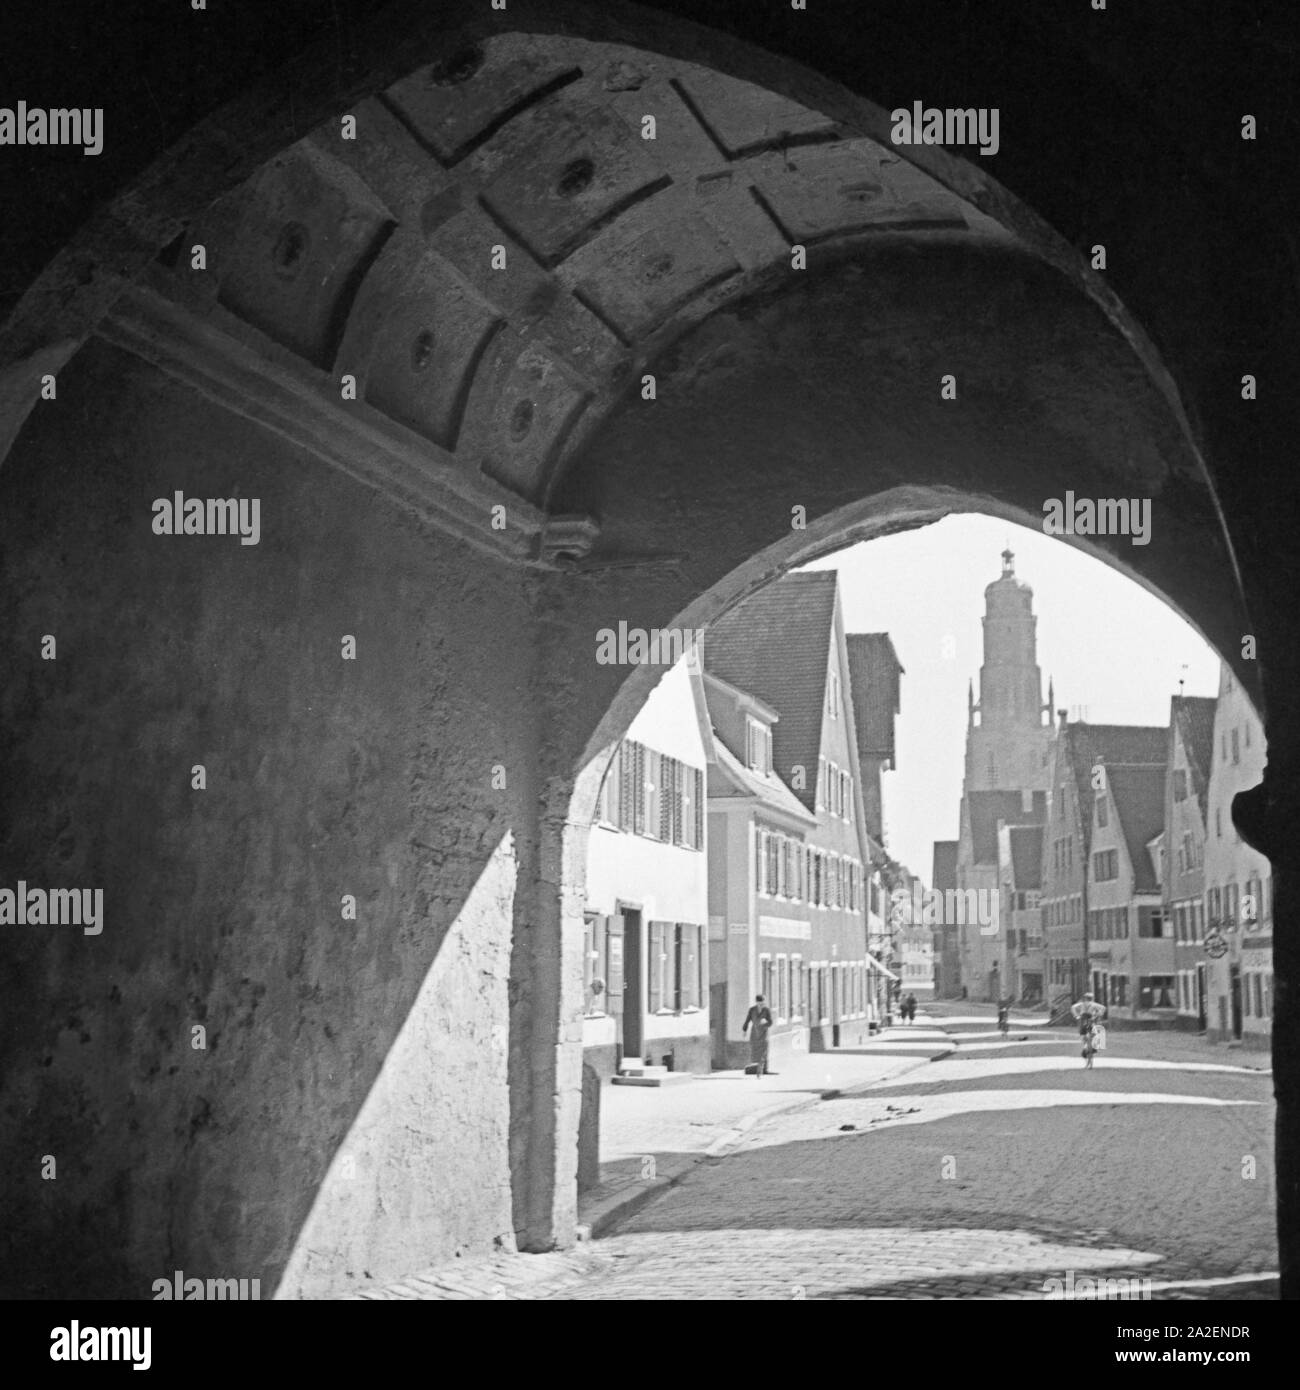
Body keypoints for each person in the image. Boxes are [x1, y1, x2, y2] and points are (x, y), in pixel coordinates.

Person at [742, 994, 774, 1077]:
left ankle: (762, 1069)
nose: (761, 1005)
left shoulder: (766, 1010)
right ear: (756, 1003)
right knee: (755, 1052)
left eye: (763, 1004)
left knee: (764, 1051)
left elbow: (771, 1022)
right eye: (760, 1004)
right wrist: (744, 1030)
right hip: (755, 1033)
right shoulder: (752, 1010)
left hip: (764, 1033)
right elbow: (747, 1020)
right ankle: (758, 1067)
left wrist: (765, 1023)